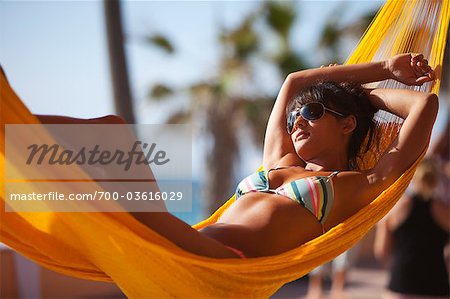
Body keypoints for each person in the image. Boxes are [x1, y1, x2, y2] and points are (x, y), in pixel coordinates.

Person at [36, 53, 437, 259]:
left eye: (313, 113)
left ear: (348, 125)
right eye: (296, 115)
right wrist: (381, 67)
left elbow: (426, 106)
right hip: (185, 242)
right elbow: (293, 82)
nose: (297, 121)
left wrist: (360, 97)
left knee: (103, 175)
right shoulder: (278, 161)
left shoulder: (348, 187)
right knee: (111, 128)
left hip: (220, 263)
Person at [374, 158, 450, 299]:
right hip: (437, 284)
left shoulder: (398, 207)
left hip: (402, 283)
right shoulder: (444, 210)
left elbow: (381, 251)